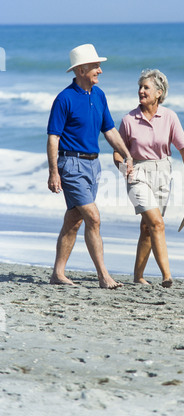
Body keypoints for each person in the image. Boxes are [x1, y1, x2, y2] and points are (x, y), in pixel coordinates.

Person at [47, 44, 133, 288]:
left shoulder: (99, 95)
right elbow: (53, 137)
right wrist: (54, 172)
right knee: (93, 218)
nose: (100, 70)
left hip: (93, 166)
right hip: (71, 164)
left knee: (74, 220)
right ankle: (104, 276)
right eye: (96, 66)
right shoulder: (65, 98)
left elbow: (109, 130)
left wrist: (126, 154)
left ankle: (57, 274)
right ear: (82, 69)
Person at [113, 69, 184, 287]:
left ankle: (138, 276)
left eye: (146, 87)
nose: (141, 91)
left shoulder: (170, 117)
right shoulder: (129, 120)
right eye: (140, 87)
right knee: (157, 223)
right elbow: (116, 152)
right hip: (138, 173)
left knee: (147, 227)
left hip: (163, 173)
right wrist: (124, 168)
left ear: (159, 93)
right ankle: (167, 276)